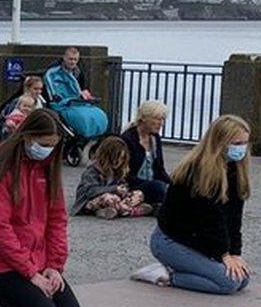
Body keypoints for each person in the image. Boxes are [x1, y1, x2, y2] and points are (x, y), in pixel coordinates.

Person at [0, 109, 82, 307]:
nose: (47, 150)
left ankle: (20, 289)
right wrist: (30, 273)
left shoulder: (48, 166)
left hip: (38, 258)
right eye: (43, 143)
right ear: (27, 136)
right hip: (4, 262)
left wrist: (54, 266)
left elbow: (57, 221)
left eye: (52, 145)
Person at [141, 115, 251, 294]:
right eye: (236, 143)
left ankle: (185, 270)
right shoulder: (198, 171)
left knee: (242, 279)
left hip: (196, 240)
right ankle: (165, 275)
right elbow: (209, 219)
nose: (241, 149)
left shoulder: (234, 169)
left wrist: (235, 253)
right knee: (227, 283)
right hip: (172, 240)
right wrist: (224, 255)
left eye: (244, 143)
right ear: (220, 142)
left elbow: (234, 217)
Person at [71, 136, 152, 219]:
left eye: (122, 158)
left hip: (116, 199)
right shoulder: (92, 171)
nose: (118, 162)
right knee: (109, 198)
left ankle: (118, 210)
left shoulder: (117, 171)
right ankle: (127, 210)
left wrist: (123, 189)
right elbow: (90, 191)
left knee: (138, 194)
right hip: (91, 201)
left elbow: (122, 184)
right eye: (116, 158)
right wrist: (114, 189)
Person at [120, 100, 171, 205]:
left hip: (152, 183)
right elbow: (125, 174)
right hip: (133, 185)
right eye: (157, 119)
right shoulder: (128, 139)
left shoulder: (155, 138)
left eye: (162, 119)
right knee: (158, 187)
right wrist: (151, 184)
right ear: (143, 118)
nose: (161, 123)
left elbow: (159, 170)